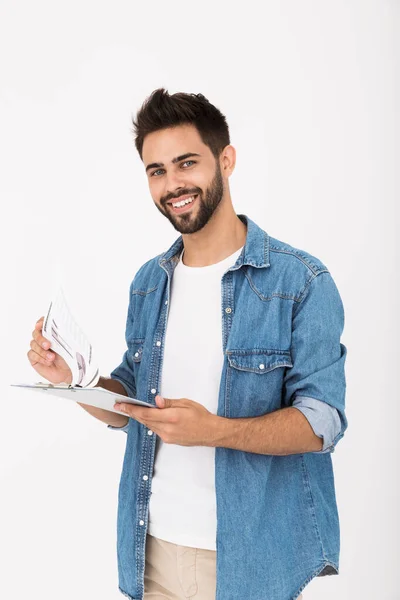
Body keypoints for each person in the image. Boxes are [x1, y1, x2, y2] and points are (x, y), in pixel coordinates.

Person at [28, 89, 348, 600]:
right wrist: (76, 381)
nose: (172, 184)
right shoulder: (149, 282)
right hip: (149, 548)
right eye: (156, 170)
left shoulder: (301, 281)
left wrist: (214, 431)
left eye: (186, 163)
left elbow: (322, 423)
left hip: (247, 559)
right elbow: (129, 405)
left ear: (226, 160)